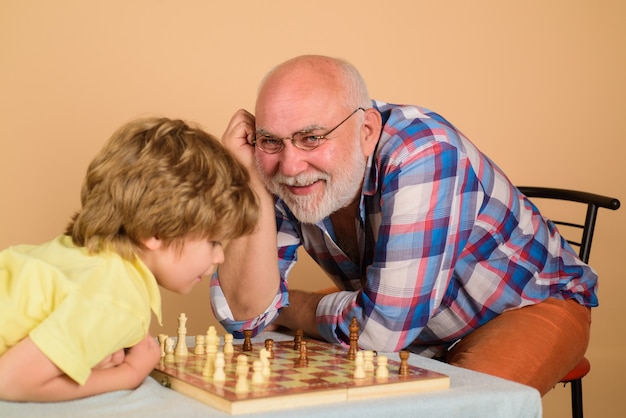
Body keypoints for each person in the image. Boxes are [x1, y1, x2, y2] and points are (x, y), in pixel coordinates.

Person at [211, 54, 597, 396]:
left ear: (367, 132)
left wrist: (289, 306)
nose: (291, 166)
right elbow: (243, 316)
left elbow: (381, 332)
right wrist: (247, 181)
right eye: (270, 141)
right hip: (407, 316)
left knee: (456, 409)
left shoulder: (423, 152)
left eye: (312, 138)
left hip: (522, 305)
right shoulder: (275, 161)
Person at [0, 117, 258, 402]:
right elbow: (9, 381)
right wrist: (129, 373)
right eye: (213, 241)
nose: (220, 256)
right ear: (157, 232)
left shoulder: (84, 257)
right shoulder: (118, 299)